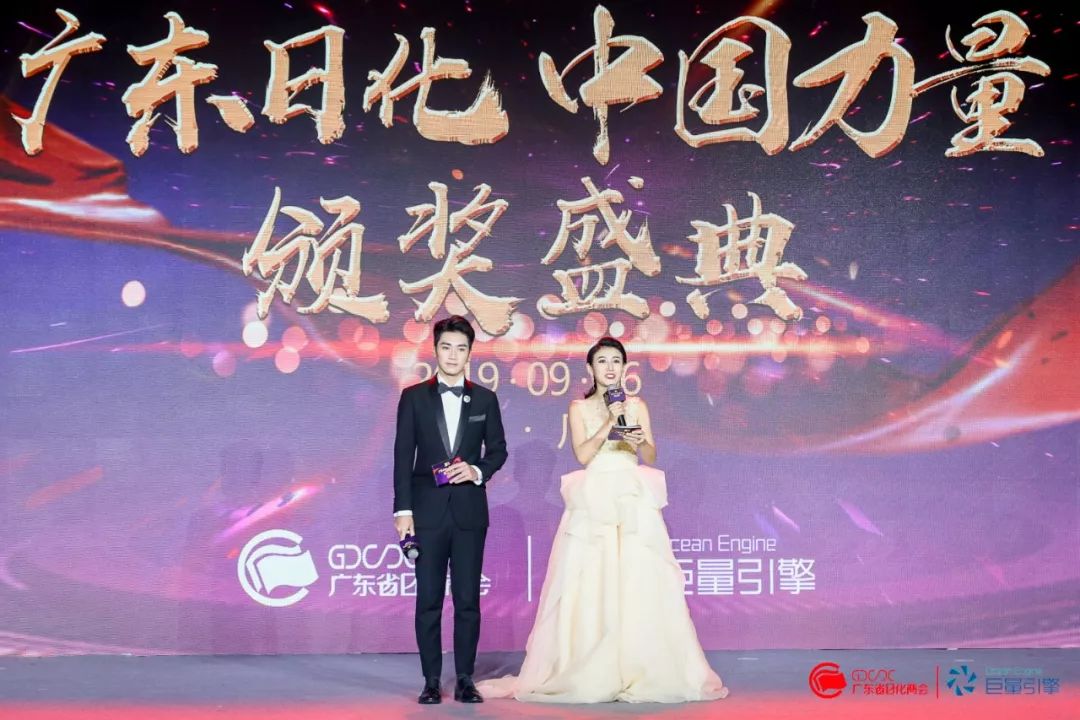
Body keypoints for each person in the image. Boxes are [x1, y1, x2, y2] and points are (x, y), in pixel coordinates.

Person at [478, 336, 728, 703]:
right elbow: (582, 454)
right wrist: (609, 423)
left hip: (632, 495)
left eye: (616, 361)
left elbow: (650, 454)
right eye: (603, 362)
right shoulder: (579, 408)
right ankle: (591, 663)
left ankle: (641, 665)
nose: (610, 368)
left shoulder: (637, 405)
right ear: (591, 368)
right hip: (595, 495)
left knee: (639, 577)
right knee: (591, 577)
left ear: (625, 367)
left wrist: (638, 439)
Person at [393, 315, 508, 704]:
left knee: (467, 600)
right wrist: (402, 511)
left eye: (461, 348)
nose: (453, 355)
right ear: (435, 350)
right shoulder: (413, 397)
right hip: (426, 513)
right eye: (447, 347)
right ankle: (430, 680)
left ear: (470, 353)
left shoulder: (486, 399)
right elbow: (402, 457)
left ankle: (464, 678)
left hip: (469, 513)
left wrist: (476, 470)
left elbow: (498, 451)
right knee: (427, 599)